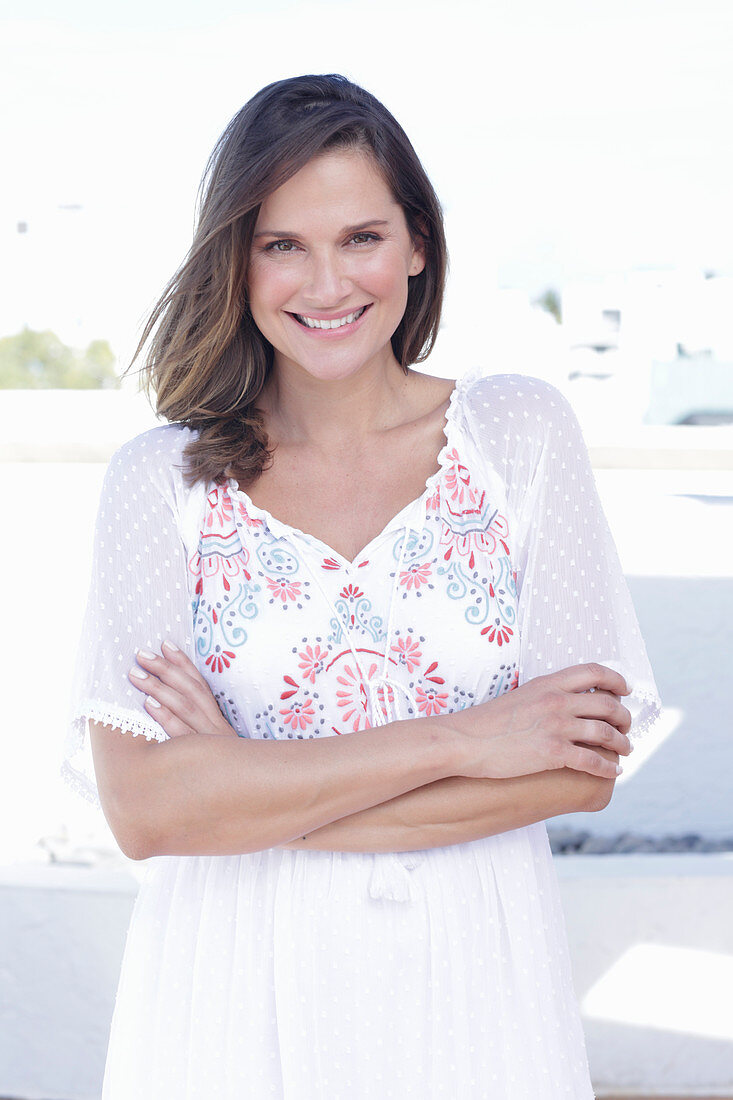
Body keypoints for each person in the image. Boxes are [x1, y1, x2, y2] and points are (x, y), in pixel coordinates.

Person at [62, 73, 662, 1099]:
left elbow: (578, 768)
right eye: (282, 243)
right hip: (224, 996)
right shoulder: (157, 482)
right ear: (236, 260)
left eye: (361, 237)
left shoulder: (518, 436)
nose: (326, 282)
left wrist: (240, 786)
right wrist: (468, 740)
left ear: (418, 242)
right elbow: (149, 811)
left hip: (477, 988)